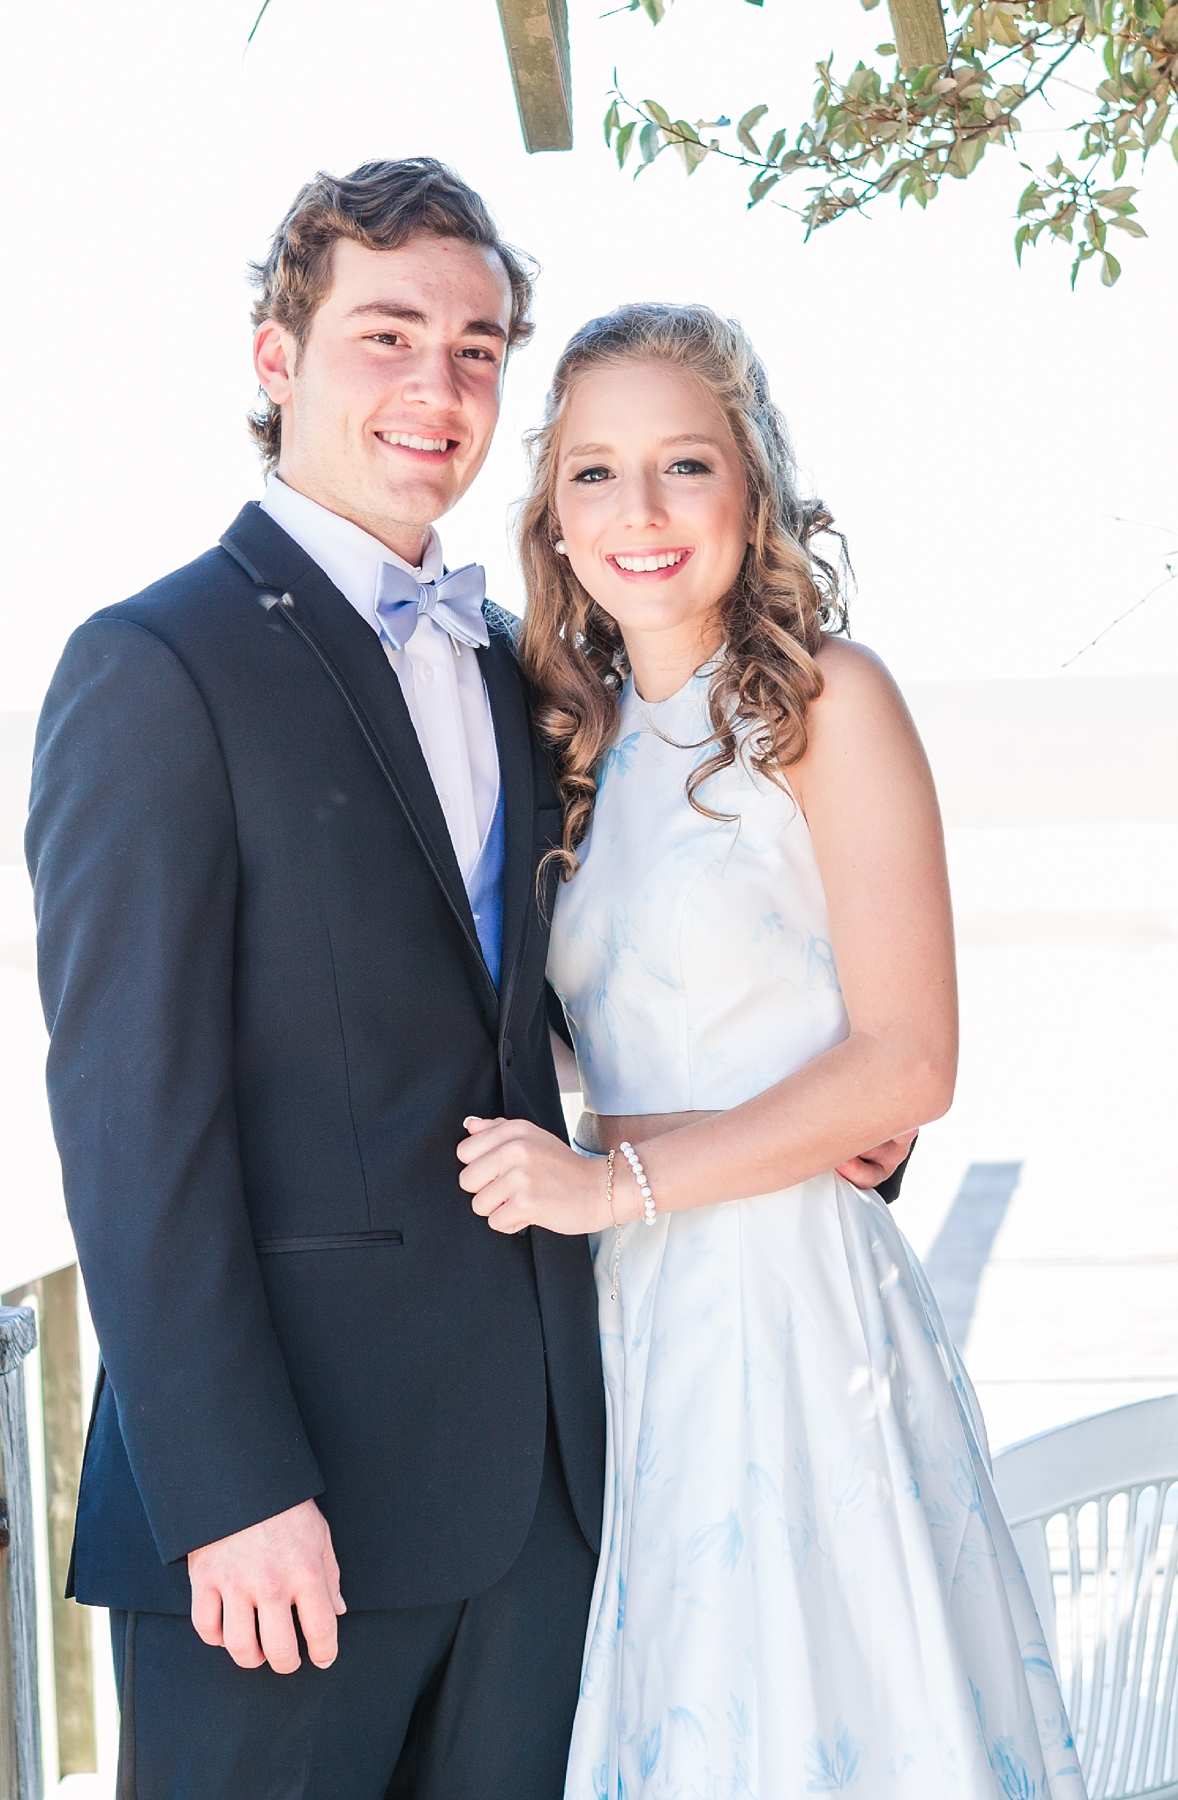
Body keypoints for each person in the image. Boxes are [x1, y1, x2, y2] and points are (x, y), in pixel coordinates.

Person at [25, 158, 611, 1800]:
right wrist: (227, 1486)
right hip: (286, 1523)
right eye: (389, 335)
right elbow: (132, 1116)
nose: (441, 386)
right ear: (275, 361)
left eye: (480, 347)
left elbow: (588, 991)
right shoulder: (152, 668)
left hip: (543, 1506)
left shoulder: (515, 672)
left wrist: (835, 1119)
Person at [457, 304, 1086, 1800]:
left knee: (832, 1714)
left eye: (683, 464)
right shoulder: (564, 742)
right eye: (597, 473)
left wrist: (620, 1180)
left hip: (790, 1301)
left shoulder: (828, 703)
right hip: (626, 1322)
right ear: (553, 510)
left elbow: (908, 1062)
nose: (643, 513)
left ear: (751, 485)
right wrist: (618, 1180)